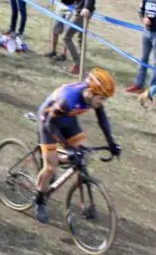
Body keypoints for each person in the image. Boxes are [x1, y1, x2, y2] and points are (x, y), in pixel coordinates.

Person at [32, 68, 120, 223]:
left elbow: (103, 121)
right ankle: (39, 200)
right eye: (102, 98)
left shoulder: (92, 98)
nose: (102, 103)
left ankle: (57, 159)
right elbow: (49, 124)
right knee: (51, 167)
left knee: (84, 155)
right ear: (91, 92)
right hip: (48, 122)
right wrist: (68, 148)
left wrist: (111, 143)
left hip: (67, 121)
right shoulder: (69, 99)